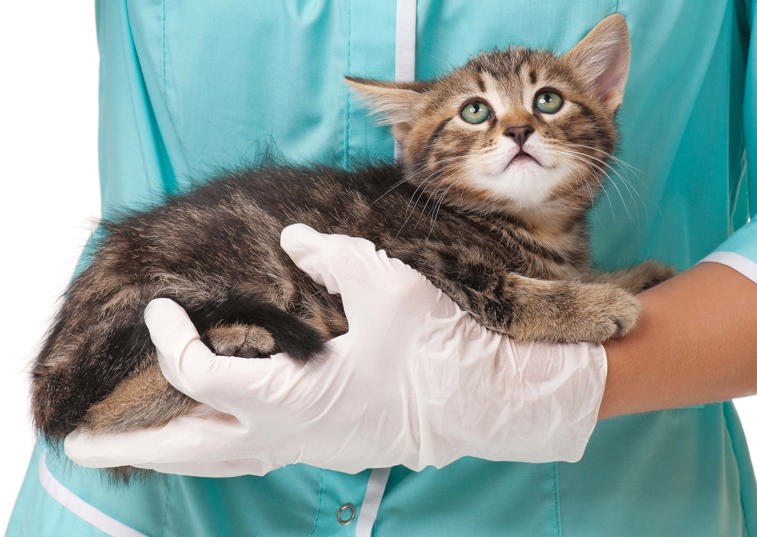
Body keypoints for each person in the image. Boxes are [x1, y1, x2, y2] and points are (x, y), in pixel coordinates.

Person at [7, 1, 757, 535]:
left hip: (613, 501)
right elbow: (484, 289)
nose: (517, 128)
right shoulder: (436, 220)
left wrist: (547, 386)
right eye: (480, 114)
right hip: (168, 505)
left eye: (544, 104)